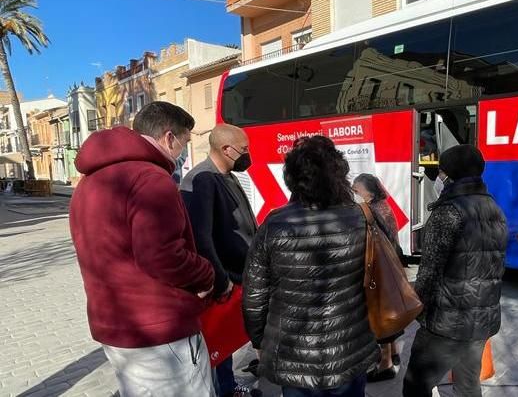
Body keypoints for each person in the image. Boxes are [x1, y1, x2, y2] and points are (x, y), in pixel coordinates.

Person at [69, 101, 216, 396]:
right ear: (168, 137)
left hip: (114, 323)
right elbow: (162, 255)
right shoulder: (151, 179)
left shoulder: (87, 183)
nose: (183, 153)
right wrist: (206, 273)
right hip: (159, 330)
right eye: (184, 143)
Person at [242, 135, 380, 397]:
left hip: (295, 354)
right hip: (350, 349)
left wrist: (259, 340)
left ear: (293, 178)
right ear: (339, 174)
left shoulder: (274, 224)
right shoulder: (361, 218)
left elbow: (254, 295)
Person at [402, 144, 509, 397]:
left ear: (449, 174)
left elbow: (428, 273)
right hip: (482, 318)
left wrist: (419, 312)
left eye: (440, 172)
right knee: (468, 384)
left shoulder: (448, 212)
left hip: (448, 322)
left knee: (416, 386)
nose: (438, 178)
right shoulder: (494, 208)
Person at [181, 124, 260, 397]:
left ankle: (228, 386)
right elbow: (200, 237)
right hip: (224, 280)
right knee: (218, 341)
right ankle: (225, 390)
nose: (248, 154)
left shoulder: (225, 175)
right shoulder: (202, 179)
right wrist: (220, 278)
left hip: (239, 275)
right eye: (244, 148)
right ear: (227, 149)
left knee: (227, 341)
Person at [351, 173, 402, 382]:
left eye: (356, 191)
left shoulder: (369, 211)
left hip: (378, 270)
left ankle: (385, 364)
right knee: (388, 312)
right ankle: (393, 353)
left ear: (369, 193)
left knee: (379, 317)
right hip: (391, 267)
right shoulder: (383, 206)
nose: (354, 194)